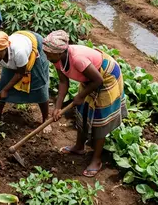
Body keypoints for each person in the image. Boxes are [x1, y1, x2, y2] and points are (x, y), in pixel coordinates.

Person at [42, 30, 127, 177]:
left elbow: (98, 80)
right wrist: (57, 107)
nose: (46, 56)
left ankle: (96, 159)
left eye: (48, 53)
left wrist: (80, 95)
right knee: (82, 112)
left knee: (100, 121)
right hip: (90, 79)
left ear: (59, 52)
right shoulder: (57, 59)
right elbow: (63, 82)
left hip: (106, 76)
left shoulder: (77, 59)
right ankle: (79, 147)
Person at [0, 30, 49, 127]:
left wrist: (6, 90)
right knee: (2, 87)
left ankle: (46, 119)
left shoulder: (19, 52)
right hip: (17, 59)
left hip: (32, 48)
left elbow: (20, 73)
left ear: (6, 48)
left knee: (38, 86)